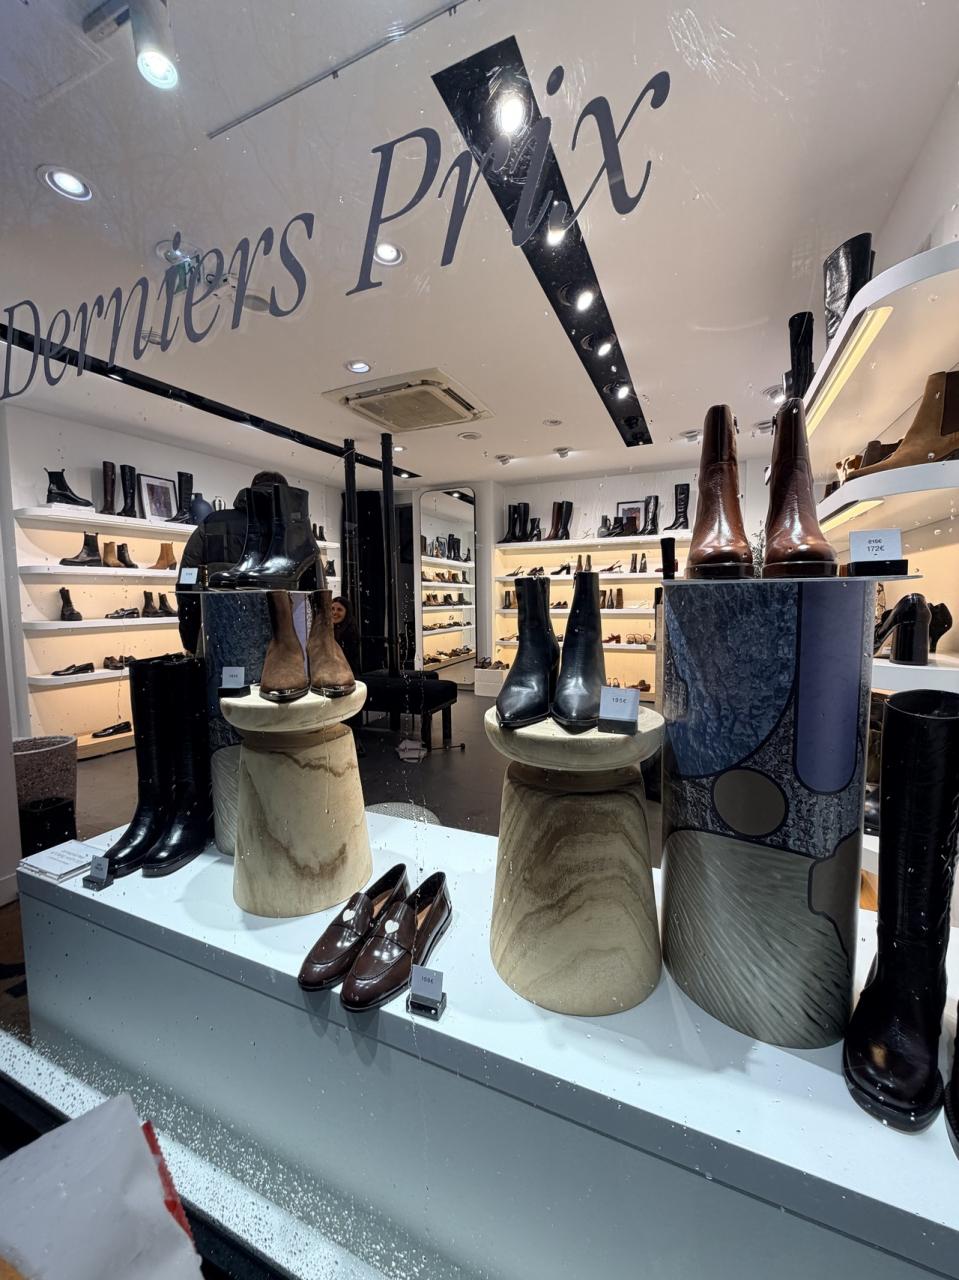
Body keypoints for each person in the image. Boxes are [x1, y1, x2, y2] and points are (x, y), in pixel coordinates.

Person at [176, 471, 288, 652]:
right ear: (285, 494)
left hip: (219, 632)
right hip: (280, 641)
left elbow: (187, 584)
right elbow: (315, 595)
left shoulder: (213, 522)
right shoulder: (291, 531)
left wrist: (190, 637)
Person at [332, 595, 361, 675]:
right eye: (332, 609)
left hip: (346, 674)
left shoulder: (351, 631)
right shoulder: (328, 629)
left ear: (347, 612)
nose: (334, 612)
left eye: (339, 610)